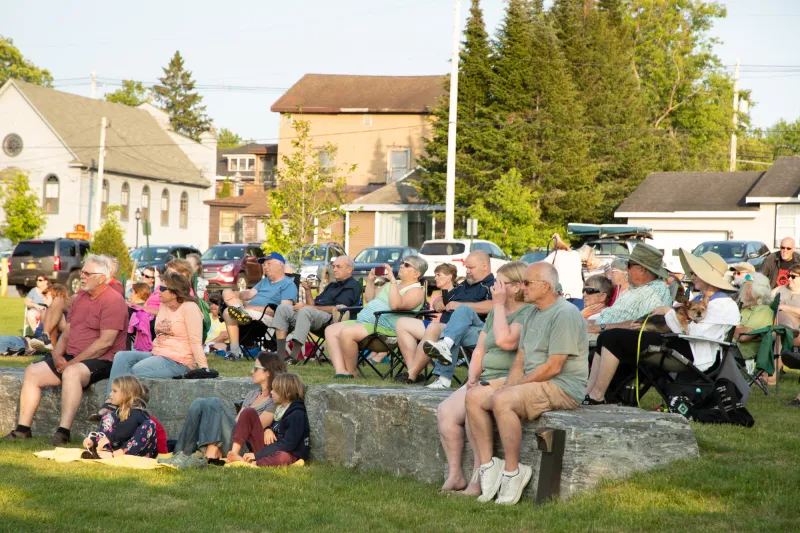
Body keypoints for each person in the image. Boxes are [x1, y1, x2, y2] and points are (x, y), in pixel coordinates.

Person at [465, 262, 588, 505]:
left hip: (562, 386)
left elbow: (554, 367)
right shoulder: (532, 312)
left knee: (502, 399)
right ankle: (489, 466)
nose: (523, 287)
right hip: (535, 382)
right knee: (475, 396)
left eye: (527, 282)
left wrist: (512, 389)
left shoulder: (565, 314)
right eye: (521, 282)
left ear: (546, 286)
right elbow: (520, 359)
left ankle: (513, 471)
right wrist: (510, 384)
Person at [584, 249, 740, 405]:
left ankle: (597, 397)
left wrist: (669, 312)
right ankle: (589, 393)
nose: (691, 276)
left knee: (613, 337)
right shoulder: (701, 299)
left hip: (690, 351)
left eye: (695, 273)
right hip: (677, 342)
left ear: (707, 276)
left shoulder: (723, 305)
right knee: (606, 337)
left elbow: (696, 332)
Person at [4, 255, 128, 445]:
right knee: (32, 371)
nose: (82, 277)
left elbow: (105, 342)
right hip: (74, 356)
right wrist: (56, 354)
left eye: (87, 273)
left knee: (71, 372)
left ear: (102, 278)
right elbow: (69, 331)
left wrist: (71, 362)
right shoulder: (80, 298)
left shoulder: (114, 301)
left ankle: (63, 432)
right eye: (82, 272)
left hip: (104, 359)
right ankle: (23, 430)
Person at [435, 261, 531, 494]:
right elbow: (479, 349)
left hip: (508, 379)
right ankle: (455, 475)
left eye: (501, 283)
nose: (494, 288)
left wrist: (498, 306)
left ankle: (479, 480)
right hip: (485, 377)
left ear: (518, 286)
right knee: (445, 411)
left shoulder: (527, 313)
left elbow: (505, 341)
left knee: (472, 410)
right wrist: (472, 375)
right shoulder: (497, 313)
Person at [96, 272, 209, 418]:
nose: (157, 292)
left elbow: (195, 340)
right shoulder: (164, 306)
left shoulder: (190, 308)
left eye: (162, 289)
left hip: (179, 361)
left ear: (174, 293)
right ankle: (110, 402)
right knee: (122, 356)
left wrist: (204, 368)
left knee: (136, 369)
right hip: (158, 354)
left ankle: (120, 409)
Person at [164, 351, 286, 469]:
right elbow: (237, 424)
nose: (251, 371)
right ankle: (180, 454)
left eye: (255, 368)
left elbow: (254, 428)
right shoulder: (252, 395)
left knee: (214, 402)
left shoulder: (273, 400)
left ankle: (210, 453)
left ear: (267, 373)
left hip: (243, 448)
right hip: (233, 439)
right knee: (199, 403)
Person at [396, 251, 494, 388]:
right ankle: (418, 370)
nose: (467, 271)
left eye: (471, 268)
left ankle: (414, 374)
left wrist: (459, 305)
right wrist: (439, 303)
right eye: (466, 268)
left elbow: (493, 305)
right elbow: (443, 299)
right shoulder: (465, 284)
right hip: (445, 326)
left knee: (454, 316)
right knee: (402, 323)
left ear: (484, 266)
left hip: (472, 330)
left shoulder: (491, 285)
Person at [325, 256, 427, 378]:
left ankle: (352, 373)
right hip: (366, 324)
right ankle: (341, 371)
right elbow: (370, 298)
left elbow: (396, 305)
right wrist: (370, 280)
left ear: (417, 273)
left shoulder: (416, 290)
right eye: (401, 263)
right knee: (331, 330)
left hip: (386, 330)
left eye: (406, 265)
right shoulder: (395, 284)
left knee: (347, 332)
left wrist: (393, 281)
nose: (401, 265)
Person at [273, 255, 361, 363]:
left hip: (332, 321)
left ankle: (294, 355)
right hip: (313, 317)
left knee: (306, 310)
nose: (334, 269)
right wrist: (308, 290)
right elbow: (313, 304)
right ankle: (280, 354)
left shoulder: (352, 286)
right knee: (283, 308)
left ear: (349, 269)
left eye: (338, 267)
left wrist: (306, 306)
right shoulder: (332, 285)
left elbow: (338, 309)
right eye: (333, 266)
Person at [222, 252, 298, 361]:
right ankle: (235, 352)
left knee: (228, 312)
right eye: (264, 264)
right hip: (250, 313)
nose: (265, 267)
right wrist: (235, 294)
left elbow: (283, 312)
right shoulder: (264, 281)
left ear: (280, 264)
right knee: (227, 298)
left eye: (268, 263)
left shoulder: (288, 284)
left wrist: (251, 309)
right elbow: (249, 294)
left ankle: (241, 312)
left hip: (266, 317)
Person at [587, 243, 672, 335]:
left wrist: (601, 327)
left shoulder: (655, 291)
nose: (626, 269)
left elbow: (639, 323)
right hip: (600, 333)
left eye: (629, 264)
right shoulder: (636, 288)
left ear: (641, 270)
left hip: (614, 339)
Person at [236, 373, 310, 467]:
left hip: (287, 452)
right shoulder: (280, 409)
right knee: (248, 412)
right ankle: (237, 453)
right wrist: (268, 429)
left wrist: (257, 455)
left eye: (275, 390)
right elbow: (275, 427)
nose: (271, 392)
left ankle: (254, 463)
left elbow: (287, 445)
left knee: (283, 457)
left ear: (287, 393)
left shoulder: (297, 415)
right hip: (270, 448)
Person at [82, 375, 157, 459]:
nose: (110, 394)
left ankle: (117, 454)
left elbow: (128, 426)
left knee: (149, 424)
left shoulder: (139, 412)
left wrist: (109, 438)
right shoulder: (117, 412)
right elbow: (108, 431)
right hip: (117, 447)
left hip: (137, 452)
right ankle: (100, 450)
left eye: (114, 391)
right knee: (108, 417)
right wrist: (93, 440)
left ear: (127, 393)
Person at [733, 273, 774, 362]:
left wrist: (727, 325)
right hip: (724, 345)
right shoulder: (741, 307)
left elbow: (743, 336)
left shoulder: (764, 311)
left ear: (757, 293)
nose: (742, 291)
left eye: (746, 288)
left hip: (737, 352)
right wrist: (737, 327)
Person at [543, 233, 583, 303]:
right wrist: (558, 239)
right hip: (577, 293)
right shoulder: (576, 254)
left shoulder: (555, 254)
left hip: (563, 294)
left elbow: (540, 265)